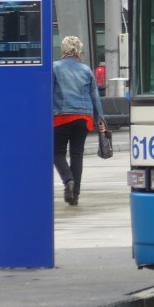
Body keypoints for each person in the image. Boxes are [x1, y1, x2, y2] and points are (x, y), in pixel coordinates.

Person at [52, 35, 106, 207]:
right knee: (77, 155)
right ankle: (74, 196)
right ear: (78, 51)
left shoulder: (54, 68)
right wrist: (100, 119)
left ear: (64, 50)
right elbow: (95, 97)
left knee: (57, 152)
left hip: (61, 115)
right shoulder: (86, 70)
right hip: (83, 117)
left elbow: (48, 93)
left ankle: (68, 180)